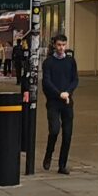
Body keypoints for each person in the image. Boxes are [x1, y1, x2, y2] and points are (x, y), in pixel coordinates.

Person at [41, 32, 77, 173]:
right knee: (54, 130)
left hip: (67, 101)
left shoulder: (70, 61)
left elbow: (75, 79)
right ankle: (48, 154)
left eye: (63, 45)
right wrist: (59, 93)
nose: (61, 48)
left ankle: (62, 165)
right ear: (54, 45)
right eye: (59, 45)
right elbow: (47, 82)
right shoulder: (48, 62)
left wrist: (68, 92)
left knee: (67, 135)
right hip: (53, 102)